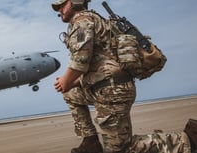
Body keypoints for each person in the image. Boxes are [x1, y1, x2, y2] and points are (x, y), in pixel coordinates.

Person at [51, 0, 197, 153]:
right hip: (105, 87)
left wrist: (65, 81)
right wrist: (70, 85)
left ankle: (187, 139)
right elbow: (99, 65)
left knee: (122, 149)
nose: (59, 9)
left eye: (62, 5)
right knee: (70, 94)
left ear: (75, 2)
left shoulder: (82, 21)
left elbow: (81, 59)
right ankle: (91, 143)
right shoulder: (94, 20)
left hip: (112, 90)